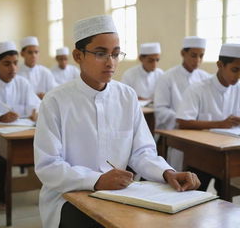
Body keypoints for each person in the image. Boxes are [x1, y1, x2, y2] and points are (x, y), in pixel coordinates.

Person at [34, 15, 200, 228]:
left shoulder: (126, 96)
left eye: (115, 54)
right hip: (69, 195)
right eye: (101, 53)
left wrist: (167, 172)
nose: (110, 62)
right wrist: (96, 180)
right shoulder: (56, 101)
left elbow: (142, 152)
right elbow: (49, 166)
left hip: (121, 193)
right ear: (78, 55)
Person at [176, 43, 240, 195]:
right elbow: (183, 121)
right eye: (235, 70)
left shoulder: (238, 88)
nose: (238, 76)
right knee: (196, 195)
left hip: (229, 150)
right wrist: (220, 124)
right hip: (202, 154)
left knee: (226, 193)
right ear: (220, 65)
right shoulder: (198, 89)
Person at [0, 41, 41, 209]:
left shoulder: (22, 83)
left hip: (22, 132)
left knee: (42, 153)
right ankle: (2, 198)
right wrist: (0, 117)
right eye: (7, 64)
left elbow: (35, 104)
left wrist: (35, 111)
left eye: (15, 63)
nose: (13, 68)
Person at [154, 36, 210, 171]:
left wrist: (199, 122)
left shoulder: (205, 78)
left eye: (201, 56)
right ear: (183, 53)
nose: (197, 60)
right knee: (179, 170)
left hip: (203, 134)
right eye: (193, 55)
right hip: (177, 133)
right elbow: (160, 109)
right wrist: (184, 120)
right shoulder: (167, 78)